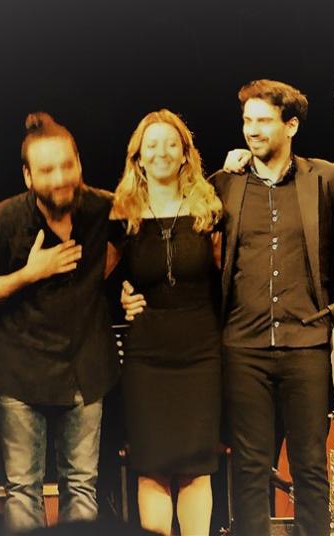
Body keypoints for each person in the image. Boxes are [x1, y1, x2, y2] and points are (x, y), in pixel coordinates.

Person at [123, 80, 334, 536]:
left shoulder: (326, 179)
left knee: (309, 465)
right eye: (247, 121)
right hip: (243, 344)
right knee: (249, 466)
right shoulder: (224, 186)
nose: (252, 130)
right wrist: (126, 292)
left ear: (291, 126)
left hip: (306, 341)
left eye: (263, 120)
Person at [0, 112, 117, 534]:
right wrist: (31, 273)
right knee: (22, 490)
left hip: (85, 366)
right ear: (28, 176)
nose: (60, 178)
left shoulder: (104, 209)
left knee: (82, 487)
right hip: (20, 369)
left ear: (79, 162)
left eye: (67, 165)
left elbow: (149, 216)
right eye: (47, 170)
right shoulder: (4, 219)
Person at [106, 109, 224, 536]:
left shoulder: (209, 210)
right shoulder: (123, 215)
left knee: (197, 468)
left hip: (201, 355)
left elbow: (228, 277)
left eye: (171, 143)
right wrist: (119, 299)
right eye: (152, 145)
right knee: (151, 467)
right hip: (147, 358)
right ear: (138, 156)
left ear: (185, 153)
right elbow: (94, 281)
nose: (162, 152)